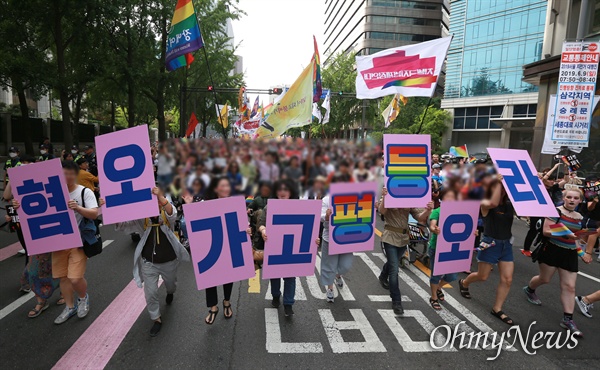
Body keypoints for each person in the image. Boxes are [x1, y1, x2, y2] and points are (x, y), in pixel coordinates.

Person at [111, 187, 190, 336]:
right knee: (151, 292)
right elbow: (123, 225)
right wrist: (110, 210)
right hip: (149, 262)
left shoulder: (167, 215)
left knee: (171, 285)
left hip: (169, 260)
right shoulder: (142, 218)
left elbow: (172, 212)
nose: (155, 203)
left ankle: (170, 292)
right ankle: (156, 318)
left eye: (158, 200)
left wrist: (160, 196)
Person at [523, 189, 594, 337]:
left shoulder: (580, 217)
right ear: (564, 198)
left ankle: (568, 319)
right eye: (568, 197)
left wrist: (582, 253)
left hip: (569, 254)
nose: (572, 200)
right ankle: (529, 289)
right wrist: (567, 233)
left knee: (569, 286)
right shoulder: (555, 211)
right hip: (551, 250)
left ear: (580, 200)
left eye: (575, 198)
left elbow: (576, 240)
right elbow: (546, 231)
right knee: (545, 279)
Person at [458, 175, 516, 326]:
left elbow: (530, 207)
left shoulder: (510, 204)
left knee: (507, 279)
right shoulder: (485, 203)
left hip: (506, 244)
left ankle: (497, 308)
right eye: (499, 186)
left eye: (504, 187)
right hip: (490, 243)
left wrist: (536, 182)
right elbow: (493, 202)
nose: (502, 189)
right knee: (483, 276)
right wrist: (496, 181)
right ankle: (464, 282)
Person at [47, 161, 98, 324]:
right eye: (63, 173)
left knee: (75, 278)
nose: (67, 176)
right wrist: (19, 206)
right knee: (63, 278)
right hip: (58, 242)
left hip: (78, 242)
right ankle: (70, 307)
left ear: (76, 174)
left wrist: (77, 208)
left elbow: (94, 214)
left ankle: (83, 298)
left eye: (70, 173)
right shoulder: (50, 193)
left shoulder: (84, 192)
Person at [378, 187, 433, 315]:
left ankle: (382, 276)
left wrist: (428, 210)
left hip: (404, 238)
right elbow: (382, 211)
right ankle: (396, 301)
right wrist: (385, 197)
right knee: (394, 269)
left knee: (394, 263)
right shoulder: (388, 194)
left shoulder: (409, 198)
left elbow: (420, 217)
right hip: (389, 236)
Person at [198, 177, 243, 324]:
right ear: (216, 189)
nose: (225, 188)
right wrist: (189, 205)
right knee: (210, 275)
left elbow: (242, 225)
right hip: (211, 244)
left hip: (229, 244)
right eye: (222, 186)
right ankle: (213, 306)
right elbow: (196, 223)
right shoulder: (206, 204)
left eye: (227, 185)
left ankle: (227, 301)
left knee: (227, 275)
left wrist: (246, 230)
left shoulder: (236, 203)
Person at [257, 179, 299, 317]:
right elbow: (261, 225)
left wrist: (314, 240)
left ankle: (288, 304)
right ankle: (275, 296)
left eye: (286, 189)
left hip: (292, 246)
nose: (282, 192)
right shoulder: (269, 208)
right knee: (274, 274)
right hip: (273, 245)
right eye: (280, 189)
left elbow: (307, 229)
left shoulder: (299, 208)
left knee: (290, 276)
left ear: (291, 192)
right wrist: (263, 231)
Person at [320, 178, 354, 303]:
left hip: (346, 237)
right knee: (329, 265)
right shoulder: (326, 200)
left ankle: (338, 274)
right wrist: (327, 216)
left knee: (345, 265)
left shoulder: (351, 198)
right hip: (329, 237)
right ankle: (330, 288)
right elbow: (321, 217)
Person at [427, 188, 460, 310]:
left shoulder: (459, 213)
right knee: (436, 275)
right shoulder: (437, 211)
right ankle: (434, 296)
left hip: (452, 249)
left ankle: (439, 288)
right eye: (448, 197)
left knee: (452, 276)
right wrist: (434, 228)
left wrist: (473, 232)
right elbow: (432, 225)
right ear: (442, 199)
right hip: (437, 248)